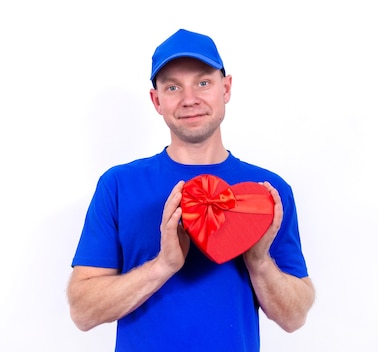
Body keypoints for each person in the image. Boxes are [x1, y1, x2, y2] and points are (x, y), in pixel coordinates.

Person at [66, 28, 315, 351]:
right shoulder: (118, 185)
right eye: (172, 87)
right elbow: (82, 312)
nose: (189, 99)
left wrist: (259, 261)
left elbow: (294, 317)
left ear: (226, 88)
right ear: (156, 100)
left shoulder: (266, 193)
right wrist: (163, 265)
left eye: (203, 82)